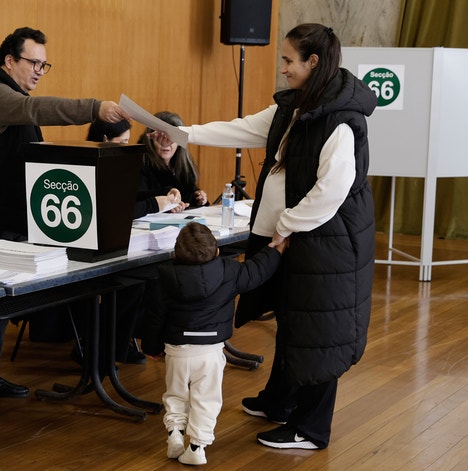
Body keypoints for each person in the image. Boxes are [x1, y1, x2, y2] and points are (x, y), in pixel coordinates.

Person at [154, 23, 375, 450]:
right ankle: (280, 402)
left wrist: (286, 227)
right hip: (297, 238)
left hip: (327, 244)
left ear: (313, 63)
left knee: (318, 331)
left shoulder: (341, 122)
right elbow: (240, 129)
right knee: (292, 319)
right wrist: (186, 135)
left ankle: (310, 429)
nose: (284, 69)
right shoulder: (294, 108)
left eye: (289, 61)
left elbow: (331, 191)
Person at [0, 26, 131, 412]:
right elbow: (37, 108)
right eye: (34, 63)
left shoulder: (14, 97)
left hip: (9, 217)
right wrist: (94, 108)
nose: (40, 71)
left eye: (45, 65)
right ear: (9, 61)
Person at [142, 222, 285, 465]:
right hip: (210, 352)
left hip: (177, 350)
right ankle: (197, 448)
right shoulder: (230, 271)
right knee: (206, 400)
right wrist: (276, 249)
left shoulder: (164, 277)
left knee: (175, 395)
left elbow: (155, 317)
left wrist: (151, 347)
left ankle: (175, 435)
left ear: (176, 253)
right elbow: (257, 270)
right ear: (217, 251)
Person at [134, 111, 208, 219]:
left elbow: (188, 194)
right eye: (161, 138)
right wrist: (166, 201)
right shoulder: (140, 162)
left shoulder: (183, 163)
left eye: (171, 138)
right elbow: (138, 200)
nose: (166, 143)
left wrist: (198, 197)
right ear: (150, 139)